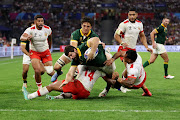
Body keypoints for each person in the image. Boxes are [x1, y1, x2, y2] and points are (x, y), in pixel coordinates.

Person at [99, 7, 152, 97]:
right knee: (129, 70)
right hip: (124, 50)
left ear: (136, 15)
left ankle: (138, 88)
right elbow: (116, 35)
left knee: (133, 71)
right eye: (130, 14)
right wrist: (122, 42)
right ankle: (114, 87)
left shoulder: (139, 24)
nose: (131, 16)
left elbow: (142, 36)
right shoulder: (124, 24)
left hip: (133, 50)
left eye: (133, 14)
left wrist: (146, 47)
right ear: (128, 15)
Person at [22, 65, 115, 100]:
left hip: (79, 86)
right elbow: (110, 81)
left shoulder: (81, 64)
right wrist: (118, 83)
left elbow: (72, 75)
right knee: (71, 94)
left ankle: (30, 96)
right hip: (86, 93)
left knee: (51, 86)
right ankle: (57, 98)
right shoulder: (101, 70)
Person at [51, 17, 99, 82]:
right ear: (81, 25)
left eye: (88, 26)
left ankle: (69, 86)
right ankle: (59, 72)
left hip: (83, 57)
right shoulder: (76, 33)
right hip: (73, 53)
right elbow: (73, 48)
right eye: (84, 26)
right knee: (56, 67)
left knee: (73, 74)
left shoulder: (94, 35)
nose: (85, 28)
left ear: (91, 27)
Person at [20, 15, 55, 89]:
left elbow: (50, 38)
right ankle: (39, 88)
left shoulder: (47, 29)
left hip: (45, 52)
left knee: (50, 71)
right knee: (36, 70)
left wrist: (49, 48)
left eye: (42, 21)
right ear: (35, 22)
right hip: (34, 53)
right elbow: (21, 38)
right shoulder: (30, 30)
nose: (41, 23)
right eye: (39, 21)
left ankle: (58, 84)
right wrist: (26, 38)